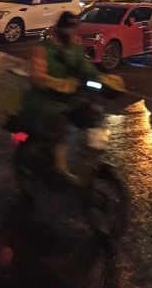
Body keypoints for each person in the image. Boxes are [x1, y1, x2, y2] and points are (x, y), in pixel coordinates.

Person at [22, 11, 99, 179]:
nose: (72, 33)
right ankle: (59, 170)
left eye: (74, 29)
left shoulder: (75, 47)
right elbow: (37, 77)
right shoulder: (43, 48)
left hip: (67, 98)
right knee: (60, 126)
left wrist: (103, 80)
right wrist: (57, 83)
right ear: (60, 28)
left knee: (92, 115)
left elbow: (86, 68)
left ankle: (91, 162)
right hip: (44, 99)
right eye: (68, 29)